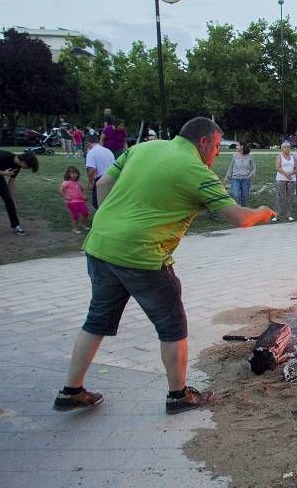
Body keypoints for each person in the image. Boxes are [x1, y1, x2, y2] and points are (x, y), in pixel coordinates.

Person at [53, 117, 274, 415]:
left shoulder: (144, 148)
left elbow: (103, 183)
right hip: (143, 256)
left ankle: (71, 390)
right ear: (204, 141)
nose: (218, 153)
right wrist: (262, 212)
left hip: (101, 246)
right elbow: (240, 218)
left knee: (96, 320)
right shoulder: (197, 172)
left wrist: (110, 222)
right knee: (172, 326)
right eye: (218, 146)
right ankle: (178, 395)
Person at [0, 150, 38, 237]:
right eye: (29, 166)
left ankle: (16, 225)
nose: (28, 168)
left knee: (9, 200)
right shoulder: (3, 155)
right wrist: (3, 173)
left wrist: (13, 199)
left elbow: (11, 181)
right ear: (24, 161)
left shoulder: (17, 166)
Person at [58, 165, 90, 234]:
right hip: (71, 202)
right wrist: (65, 197)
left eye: (76, 173)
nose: (74, 175)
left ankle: (82, 224)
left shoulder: (78, 182)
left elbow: (82, 190)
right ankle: (74, 228)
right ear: (68, 174)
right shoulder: (66, 182)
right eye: (72, 173)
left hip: (81, 201)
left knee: (86, 213)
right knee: (75, 215)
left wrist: (84, 196)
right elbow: (60, 190)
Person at [85, 139, 115, 209]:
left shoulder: (91, 152)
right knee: (109, 201)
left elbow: (92, 170)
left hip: (101, 179)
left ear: (88, 143)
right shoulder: (108, 150)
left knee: (97, 203)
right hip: (112, 177)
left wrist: (90, 182)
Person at [224, 142, 255, 207]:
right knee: (236, 195)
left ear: (242, 146)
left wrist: (251, 174)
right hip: (235, 179)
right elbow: (231, 166)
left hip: (246, 179)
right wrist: (227, 176)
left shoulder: (250, 156)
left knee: (245, 197)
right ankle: (237, 210)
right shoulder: (234, 155)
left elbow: (254, 168)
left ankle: (244, 211)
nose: (236, 146)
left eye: (237, 145)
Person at [273, 142, 296, 222]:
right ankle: (277, 215)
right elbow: (277, 167)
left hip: (292, 180)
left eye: (288, 147)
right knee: (280, 197)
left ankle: (288, 214)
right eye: (285, 147)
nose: (287, 148)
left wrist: (291, 173)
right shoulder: (279, 156)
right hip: (281, 179)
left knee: (290, 197)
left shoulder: (293, 157)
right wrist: (286, 174)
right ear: (282, 148)